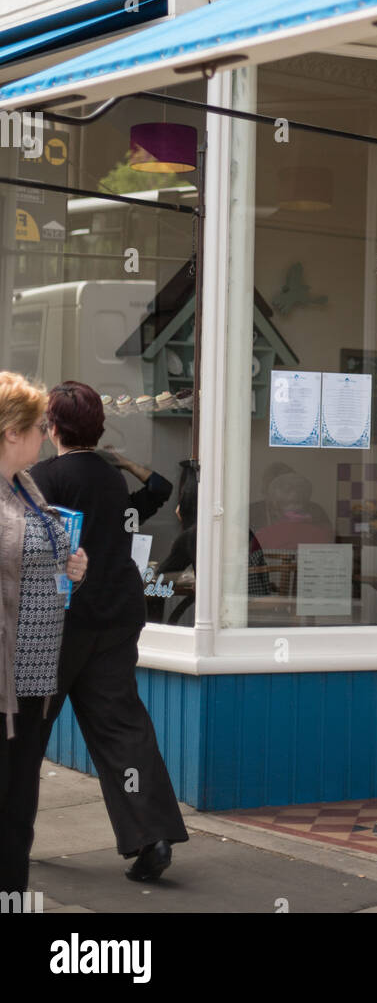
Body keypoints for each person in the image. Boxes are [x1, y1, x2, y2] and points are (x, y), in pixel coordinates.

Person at [30, 381, 188, 883]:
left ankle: (12, 838)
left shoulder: (42, 478)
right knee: (123, 731)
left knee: (25, 733)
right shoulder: (110, 479)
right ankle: (153, 835)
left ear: (52, 427)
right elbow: (149, 497)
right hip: (116, 616)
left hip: (58, 624)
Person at [0, 372, 88, 893]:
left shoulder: (25, 486)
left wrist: (73, 566)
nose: (44, 435)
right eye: (37, 426)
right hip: (5, 678)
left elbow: (43, 553)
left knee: (18, 807)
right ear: (12, 431)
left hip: (34, 677)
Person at [159, 460, 271, 622]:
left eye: (181, 495)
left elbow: (161, 581)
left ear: (188, 499)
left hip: (233, 616)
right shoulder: (241, 531)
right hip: (255, 615)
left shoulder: (196, 535)